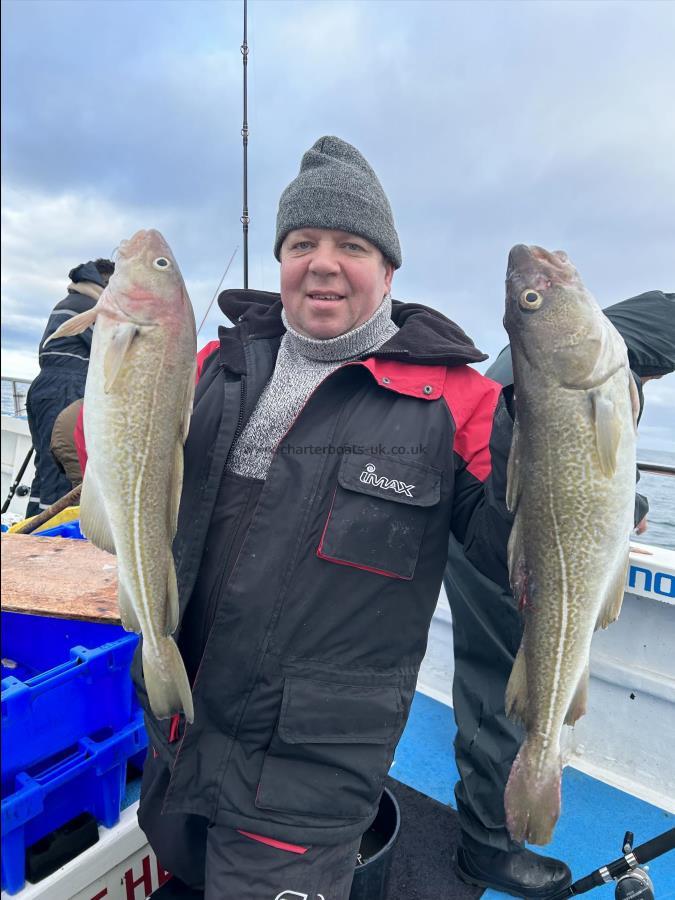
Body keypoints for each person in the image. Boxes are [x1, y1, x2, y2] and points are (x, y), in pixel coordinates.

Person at [131, 136, 571, 899]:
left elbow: (516, 553)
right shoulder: (210, 368)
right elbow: (123, 465)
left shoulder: (462, 405)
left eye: (351, 245)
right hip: (177, 745)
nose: (323, 262)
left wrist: (561, 443)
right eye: (302, 242)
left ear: (389, 269)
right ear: (280, 258)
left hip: (303, 787)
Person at [448, 290, 675, 896]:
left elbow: (588, 471)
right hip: (493, 527)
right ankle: (487, 847)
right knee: (498, 684)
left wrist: (630, 506)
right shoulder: (601, 353)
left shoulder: (583, 354)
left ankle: (497, 814)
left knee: (508, 679)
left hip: (515, 516)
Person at [25, 258, 114, 517]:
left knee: (46, 465)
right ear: (105, 283)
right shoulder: (90, 308)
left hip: (44, 388)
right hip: (67, 388)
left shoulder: (67, 303)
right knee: (63, 473)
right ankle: (52, 537)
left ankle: (33, 529)